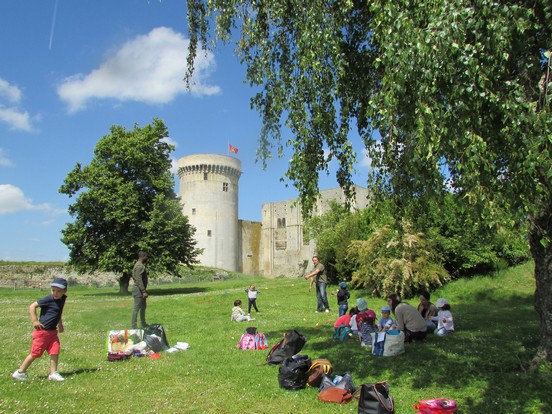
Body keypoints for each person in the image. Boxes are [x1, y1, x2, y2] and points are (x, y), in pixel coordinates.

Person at [12, 278, 69, 381]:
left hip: (52, 332)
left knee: (55, 351)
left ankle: (53, 373)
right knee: (35, 353)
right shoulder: (48, 299)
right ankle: (20, 372)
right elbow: (32, 306)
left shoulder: (62, 299)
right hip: (42, 332)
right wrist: (35, 320)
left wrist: (60, 324)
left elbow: (58, 312)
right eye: (53, 290)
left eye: (58, 291)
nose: (55, 293)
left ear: (65, 291)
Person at [131, 251, 149, 329]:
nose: (147, 258)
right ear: (143, 256)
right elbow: (139, 279)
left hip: (140, 289)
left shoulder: (138, 265)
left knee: (143, 307)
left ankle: (143, 323)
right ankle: (134, 327)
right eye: (146, 256)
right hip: (138, 290)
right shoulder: (139, 266)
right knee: (136, 308)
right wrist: (143, 291)